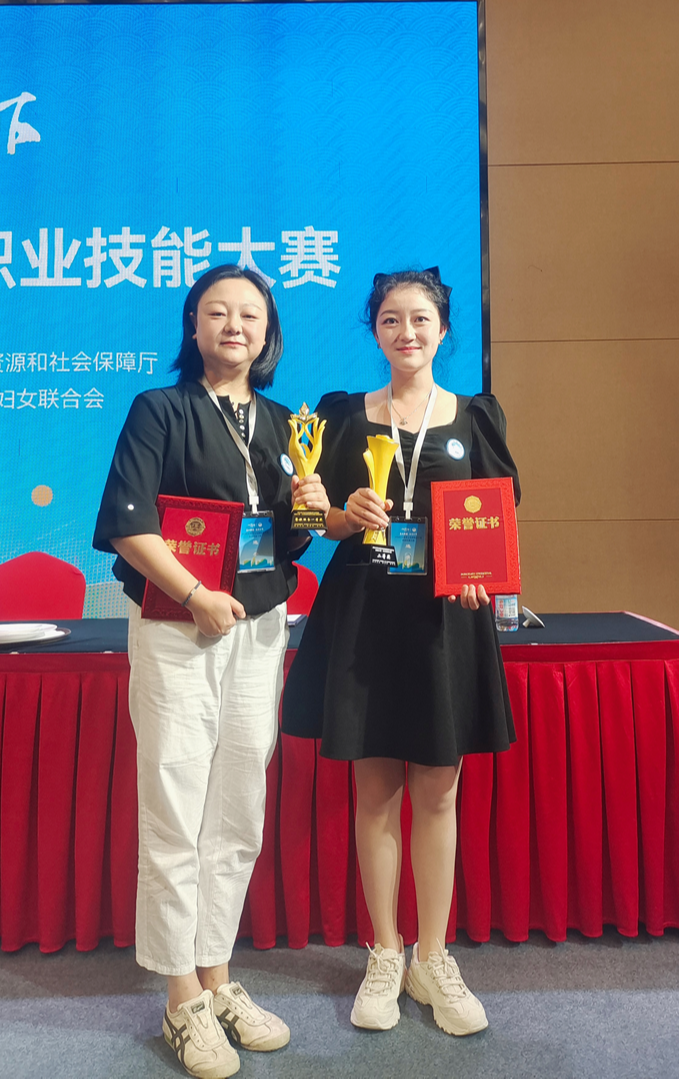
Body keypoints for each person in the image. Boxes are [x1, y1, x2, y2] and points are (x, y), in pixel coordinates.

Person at [93, 264, 329, 1079]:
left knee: (237, 810)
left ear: (268, 333)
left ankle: (219, 975)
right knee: (174, 810)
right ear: (192, 326)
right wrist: (194, 594)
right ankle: (179, 996)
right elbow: (128, 524)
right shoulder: (158, 409)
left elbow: (287, 537)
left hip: (257, 629)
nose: (235, 326)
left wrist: (311, 502)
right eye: (217, 312)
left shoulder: (285, 423)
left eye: (250, 315)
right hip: (176, 626)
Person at [282, 267, 520, 1038]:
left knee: (439, 792)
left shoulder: (474, 416)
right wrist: (340, 515)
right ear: (375, 330)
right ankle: (384, 952)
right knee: (376, 790)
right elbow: (312, 524)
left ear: (442, 330)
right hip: (365, 617)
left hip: (445, 620)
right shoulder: (341, 415)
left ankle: (432, 954)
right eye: (391, 319)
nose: (406, 331)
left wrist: (485, 572)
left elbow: (497, 515)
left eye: (420, 318)